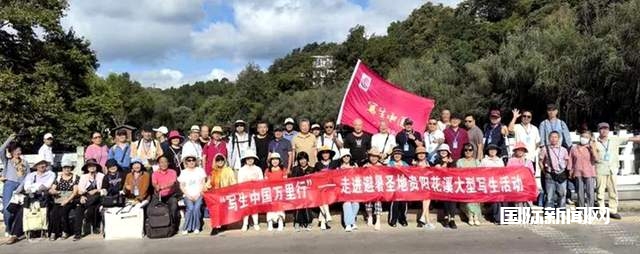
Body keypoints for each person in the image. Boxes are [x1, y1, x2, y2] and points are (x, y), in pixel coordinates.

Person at [594, 122, 640, 219]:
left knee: (613, 190)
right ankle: (601, 210)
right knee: (600, 191)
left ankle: (612, 210)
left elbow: (630, 138)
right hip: (600, 169)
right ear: (599, 130)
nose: (604, 131)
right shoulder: (594, 142)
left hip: (612, 169)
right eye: (602, 129)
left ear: (609, 130)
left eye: (606, 129)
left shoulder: (614, 139)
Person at [1, 133, 28, 237]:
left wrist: (22, 187)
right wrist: (8, 139)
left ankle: (15, 230)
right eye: (16, 150)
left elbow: (28, 176)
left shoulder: (24, 162)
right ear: (11, 152)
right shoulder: (7, 161)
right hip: (9, 185)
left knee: (18, 209)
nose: (18, 152)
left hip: (21, 186)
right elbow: (1, 150)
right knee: (7, 209)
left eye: (19, 150)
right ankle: (8, 227)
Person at [205, 153, 237, 235]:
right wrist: (206, 187)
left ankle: (223, 225)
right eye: (218, 160)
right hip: (215, 195)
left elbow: (233, 182)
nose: (220, 161)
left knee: (223, 210)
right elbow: (208, 184)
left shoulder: (229, 170)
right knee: (215, 210)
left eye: (221, 159)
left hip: (226, 194)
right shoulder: (213, 172)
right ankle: (215, 227)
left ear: (224, 160)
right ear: (215, 161)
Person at [48, 159, 79, 241]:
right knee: (54, 213)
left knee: (64, 211)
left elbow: (75, 192)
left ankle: (66, 231)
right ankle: (54, 232)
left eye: (68, 167)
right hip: (58, 198)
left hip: (69, 199)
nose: (67, 169)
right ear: (62, 168)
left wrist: (67, 201)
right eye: (65, 167)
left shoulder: (75, 177)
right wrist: (53, 191)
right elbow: (52, 189)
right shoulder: (58, 177)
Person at [74, 159, 105, 241]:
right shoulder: (84, 177)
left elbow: (104, 189)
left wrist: (96, 190)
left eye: (93, 166)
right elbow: (80, 189)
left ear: (96, 167)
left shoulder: (101, 176)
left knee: (93, 206)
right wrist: (82, 196)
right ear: (87, 168)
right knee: (79, 210)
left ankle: (95, 226)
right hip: (86, 197)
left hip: (98, 197)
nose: (92, 167)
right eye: (90, 166)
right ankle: (77, 233)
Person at [539, 131, 570, 210]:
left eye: (556, 137)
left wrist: (565, 170)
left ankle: (561, 210)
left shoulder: (564, 150)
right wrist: (544, 171)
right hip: (549, 174)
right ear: (549, 138)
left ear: (559, 138)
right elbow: (540, 161)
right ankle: (549, 211)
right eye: (552, 137)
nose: (554, 139)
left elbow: (567, 161)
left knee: (562, 194)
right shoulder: (545, 149)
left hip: (561, 174)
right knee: (549, 195)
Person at [178, 153, 207, 235]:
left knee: (197, 208)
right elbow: (182, 186)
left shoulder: (200, 170)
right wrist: (188, 195)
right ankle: (186, 227)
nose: (191, 162)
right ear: (186, 162)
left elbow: (203, 183)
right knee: (190, 208)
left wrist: (198, 194)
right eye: (189, 160)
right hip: (188, 195)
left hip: (199, 194)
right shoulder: (183, 172)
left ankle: (197, 227)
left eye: (193, 160)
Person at [569, 131, 598, 208]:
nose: (584, 138)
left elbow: (596, 158)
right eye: (582, 136)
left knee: (590, 192)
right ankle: (581, 208)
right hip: (578, 172)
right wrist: (570, 170)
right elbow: (570, 160)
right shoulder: (574, 148)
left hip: (589, 172)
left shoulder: (591, 147)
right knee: (579, 192)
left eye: (586, 137)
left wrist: (592, 147)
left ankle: (590, 209)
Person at [151, 156, 180, 234]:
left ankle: (173, 226)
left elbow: (173, 182)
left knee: (173, 206)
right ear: (158, 164)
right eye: (161, 162)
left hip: (170, 195)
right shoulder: (155, 173)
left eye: (165, 162)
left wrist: (162, 186)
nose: (164, 164)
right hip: (159, 196)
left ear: (168, 163)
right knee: (152, 208)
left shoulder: (172, 172)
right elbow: (154, 183)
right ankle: (157, 227)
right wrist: (156, 186)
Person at [432, 144, 457, 229]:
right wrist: (446, 163)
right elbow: (438, 170)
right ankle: (446, 217)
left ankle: (452, 219)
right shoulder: (436, 161)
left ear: (448, 152)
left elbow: (455, 173)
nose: (443, 152)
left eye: (445, 150)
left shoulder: (453, 162)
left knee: (452, 199)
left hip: (451, 184)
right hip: (441, 184)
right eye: (441, 151)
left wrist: (450, 163)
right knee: (446, 198)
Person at [456, 143, 481, 226]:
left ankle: (476, 216)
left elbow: (480, 174)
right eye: (466, 150)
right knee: (468, 197)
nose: (468, 152)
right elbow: (458, 174)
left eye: (470, 150)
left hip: (475, 184)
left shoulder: (476, 162)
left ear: (473, 151)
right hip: (464, 185)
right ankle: (470, 216)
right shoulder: (460, 161)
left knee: (475, 197)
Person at [237, 150, 263, 231]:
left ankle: (255, 223)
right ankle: (245, 224)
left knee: (255, 208)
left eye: (251, 158)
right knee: (246, 209)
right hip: (245, 192)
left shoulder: (258, 169)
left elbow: (261, 180)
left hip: (255, 191)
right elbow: (240, 182)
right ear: (245, 159)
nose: (250, 160)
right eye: (248, 158)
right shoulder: (241, 170)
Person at [481, 144, 506, 224]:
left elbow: (503, 172)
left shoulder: (500, 160)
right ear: (488, 151)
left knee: (503, 198)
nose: (492, 151)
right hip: (488, 184)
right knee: (496, 200)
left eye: (494, 149)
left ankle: (503, 217)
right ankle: (497, 218)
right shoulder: (484, 160)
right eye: (490, 149)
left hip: (499, 183)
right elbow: (480, 172)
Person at [290, 152, 315, 232]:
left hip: (309, 192)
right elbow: (292, 181)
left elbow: (314, 182)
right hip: (298, 192)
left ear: (307, 159)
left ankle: (309, 222)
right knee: (299, 202)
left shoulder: (312, 169)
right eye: (300, 159)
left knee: (306, 202)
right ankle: (297, 222)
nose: (302, 161)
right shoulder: (295, 169)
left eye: (304, 159)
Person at [507, 142, 536, 208]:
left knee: (528, 202)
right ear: (515, 151)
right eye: (518, 149)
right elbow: (508, 172)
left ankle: (528, 216)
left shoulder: (528, 161)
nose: (520, 151)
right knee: (518, 203)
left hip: (526, 185)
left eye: (521, 150)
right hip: (516, 184)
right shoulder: (511, 161)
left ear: (524, 151)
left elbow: (532, 173)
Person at [315, 146, 337, 230]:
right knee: (321, 195)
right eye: (323, 153)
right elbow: (315, 176)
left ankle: (324, 218)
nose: (325, 154)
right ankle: (326, 216)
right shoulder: (318, 164)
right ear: (321, 154)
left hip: (332, 187)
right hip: (321, 187)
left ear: (330, 154)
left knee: (323, 196)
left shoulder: (334, 163)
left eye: (327, 152)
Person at [265, 153, 288, 231]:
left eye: (276, 159)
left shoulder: (283, 169)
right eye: (273, 159)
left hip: (280, 192)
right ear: (270, 161)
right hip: (270, 192)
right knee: (270, 208)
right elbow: (265, 182)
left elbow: (285, 181)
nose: (275, 161)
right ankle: (270, 223)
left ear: (279, 161)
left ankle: (280, 222)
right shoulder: (267, 170)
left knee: (280, 208)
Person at [337, 149, 359, 232]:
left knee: (356, 204)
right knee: (347, 204)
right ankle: (348, 224)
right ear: (341, 158)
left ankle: (352, 222)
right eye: (344, 156)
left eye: (347, 156)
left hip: (354, 190)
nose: (346, 157)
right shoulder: (338, 167)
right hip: (344, 191)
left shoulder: (355, 165)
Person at [414, 146, 435, 229]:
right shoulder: (414, 164)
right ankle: (426, 220)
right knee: (426, 199)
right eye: (419, 153)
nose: (421, 155)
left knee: (426, 199)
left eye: (423, 153)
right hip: (418, 186)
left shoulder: (429, 163)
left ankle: (425, 219)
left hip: (427, 185)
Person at [387, 147, 409, 228]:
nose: (397, 155)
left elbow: (409, 174)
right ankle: (393, 220)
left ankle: (403, 219)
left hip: (403, 187)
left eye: (399, 154)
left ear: (401, 155)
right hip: (394, 187)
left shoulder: (405, 164)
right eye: (395, 154)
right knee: (395, 204)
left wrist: (402, 169)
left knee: (404, 204)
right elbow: (387, 173)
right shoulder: (390, 163)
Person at [363, 148, 384, 231]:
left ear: (378, 157)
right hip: (368, 187)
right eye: (372, 156)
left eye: (375, 156)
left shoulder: (381, 166)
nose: (373, 158)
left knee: (378, 201)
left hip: (378, 188)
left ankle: (378, 219)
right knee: (368, 201)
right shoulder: (365, 166)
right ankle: (370, 216)